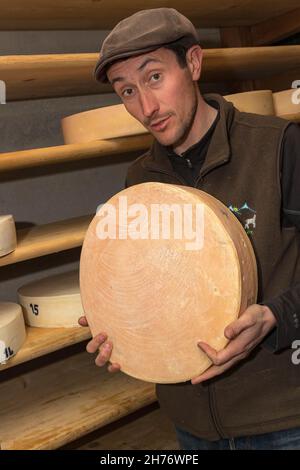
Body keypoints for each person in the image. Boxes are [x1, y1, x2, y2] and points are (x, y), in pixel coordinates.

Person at [79, 8, 300, 450]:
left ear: (193, 64)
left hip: (281, 418)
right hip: (190, 426)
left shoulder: (280, 146)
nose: (146, 107)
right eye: (127, 91)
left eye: (155, 77)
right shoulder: (140, 181)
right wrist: (121, 320)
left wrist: (280, 313)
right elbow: (155, 288)